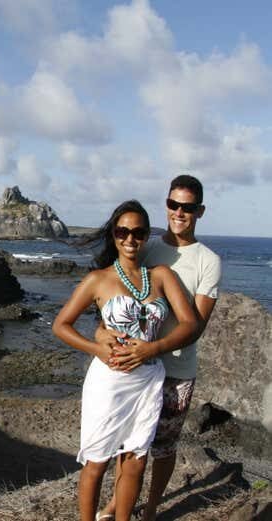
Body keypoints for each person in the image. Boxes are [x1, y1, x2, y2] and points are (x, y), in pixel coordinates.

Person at [52, 200, 197, 521]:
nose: (130, 239)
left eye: (138, 232)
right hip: (109, 381)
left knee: (136, 459)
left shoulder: (160, 276)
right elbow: (60, 325)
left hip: (148, 380)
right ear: (114, 235)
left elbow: (189, 324)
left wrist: (153, 348)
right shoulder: (97, 280)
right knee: (97, 461)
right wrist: (98, 348)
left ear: (146, 236)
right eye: (123, 231)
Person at [97, 175, 222, 521]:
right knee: (129, 446)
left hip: (176, 370)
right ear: (166, 204)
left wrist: (152, 350)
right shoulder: (147, 248)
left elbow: (195, 327)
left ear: (200, 211)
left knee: (163, 447)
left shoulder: (208, 261)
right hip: (135, 369)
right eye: (173, 204)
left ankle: (151, 508)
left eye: (188, 207)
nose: (179, 212)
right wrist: (100, 335)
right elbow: (111, 298)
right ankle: (116, 505)